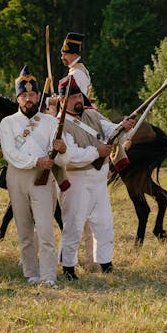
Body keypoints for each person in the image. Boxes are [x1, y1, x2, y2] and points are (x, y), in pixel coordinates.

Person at [57, 76, 134, 280]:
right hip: (77, 179)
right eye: (72, 97)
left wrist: (123, 127)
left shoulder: (92, 114)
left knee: (104, 222)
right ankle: (68, 267)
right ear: (63, 101)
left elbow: (110, 130)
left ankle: (105, 263)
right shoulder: (60, 124)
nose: (77, 100)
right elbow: (70, 155)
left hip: (99, 178)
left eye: (78, 96)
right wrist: (96, 152)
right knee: (74, 224)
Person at [0, 66, 68, 287]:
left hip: (43, 178)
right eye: (24, 95)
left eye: (32, 94)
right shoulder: (8, 123)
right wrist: (36, 160)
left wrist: (62, 149)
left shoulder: (51, 122)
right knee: (24, 229)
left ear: (38, 96)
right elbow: (10, 153)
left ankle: (48, 275)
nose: (28, 99)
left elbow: (61, 158)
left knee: (45, 229)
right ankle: (31, 273)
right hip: (17, 177)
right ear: (17, 98)